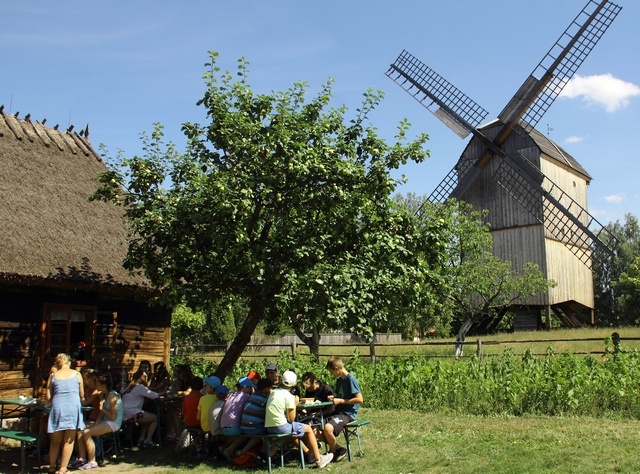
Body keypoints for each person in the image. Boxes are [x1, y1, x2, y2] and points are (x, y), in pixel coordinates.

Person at [264, 370, 333, 468]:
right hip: (280, 426)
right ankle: (319, 459)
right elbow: (291, 419)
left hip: (269, 427)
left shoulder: (274, 392)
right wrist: (295, 404)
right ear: (294, 383)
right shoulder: (289, 396)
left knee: (294, 434)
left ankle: (309, 454)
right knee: (308, 429)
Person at [46, 353, 85, 474]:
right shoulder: (77, 374)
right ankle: (62, 468)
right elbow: (82, 395)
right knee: (69, 440)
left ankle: (52, 467)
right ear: (69, 363)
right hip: (73, 408)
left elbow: (48, 397)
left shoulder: (53, 376)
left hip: (58, 408)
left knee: (55, 441)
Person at [77, 372, 123, 470]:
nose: (95, 385)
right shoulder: (102, 394)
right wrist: (96, 424)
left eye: (97, 383)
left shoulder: (112, 395)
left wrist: (102, 409)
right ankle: (82, 459)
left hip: (114, 423)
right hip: (105, 421)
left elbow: (113, 416)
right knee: (80, 430)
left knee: (87, 433)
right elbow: (101, 414)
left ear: (102, 385)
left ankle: (92, 461)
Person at [321, 356, 363, 463]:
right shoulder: (339, 380)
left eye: (331, 372)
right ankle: (339, 449)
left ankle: (333, 451)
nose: (332, 374)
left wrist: (341, 401)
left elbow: (359, 399)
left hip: (347, 414)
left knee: (327, 428)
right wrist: (334, 398)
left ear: (336, 368)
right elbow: (340, 396)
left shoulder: (351, 380)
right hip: (338, 412)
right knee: (316, 427)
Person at [122, 369, 160, 448]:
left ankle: (141, 439)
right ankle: (148, 440)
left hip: (125, 413)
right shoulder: (140, 387)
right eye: (145, 377)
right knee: (155, 418)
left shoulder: (130, 386)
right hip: (132, 413)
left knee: (147, 418)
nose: (146, 379)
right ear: (141, 378)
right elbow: (154, 395)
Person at [219, 377, 254, 462]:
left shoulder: (231, 395)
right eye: (250, 388)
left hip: (223, 428)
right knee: (247, 432)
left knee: (234, 427)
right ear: (246, 388)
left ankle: (225, 446)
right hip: (233, 429)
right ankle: (230, 449)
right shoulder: (246, 397)